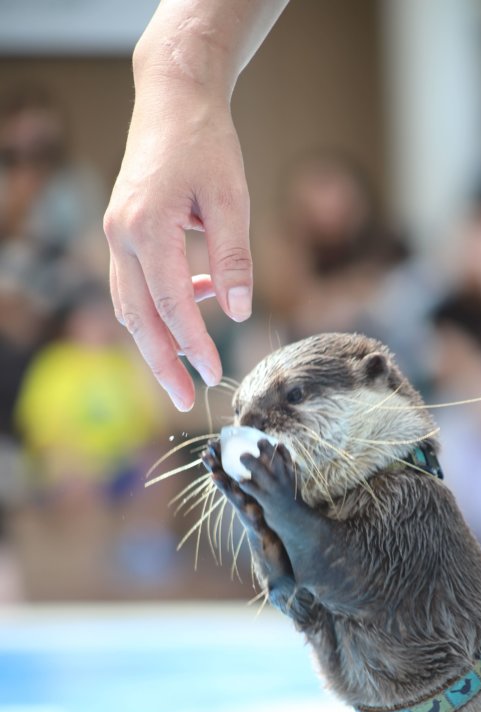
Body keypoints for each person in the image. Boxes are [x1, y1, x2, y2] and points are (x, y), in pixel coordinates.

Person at [104, 0, 289, 412]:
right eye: (183, 239)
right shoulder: (137, 331)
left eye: (196, 237)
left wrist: (181, 71)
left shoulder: (252, 333)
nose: (190, 254)